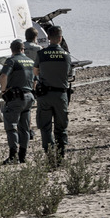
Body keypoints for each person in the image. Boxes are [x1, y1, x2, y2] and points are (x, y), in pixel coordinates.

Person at [34, 25, 73, 163]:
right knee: (61, 127)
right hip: (61, 95)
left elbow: (36, 72)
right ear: (60, 38)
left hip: (44, 94)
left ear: (48, 38)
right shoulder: (66, 56)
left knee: (45, 127)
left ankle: (50, 156)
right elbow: (69, 74)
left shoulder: (41, 54)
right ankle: (61, 157)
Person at [0, 39, 36, 164]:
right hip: (29, 96)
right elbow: (36, 79)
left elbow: (3, 76)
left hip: (15, 98)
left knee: (11, 126)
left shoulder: (11, 61)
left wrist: (3, 91)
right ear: (23, 49)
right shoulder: (30, 61)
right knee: (25, 128)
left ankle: (13, 156)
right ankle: (23, 156)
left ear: (12, 50)